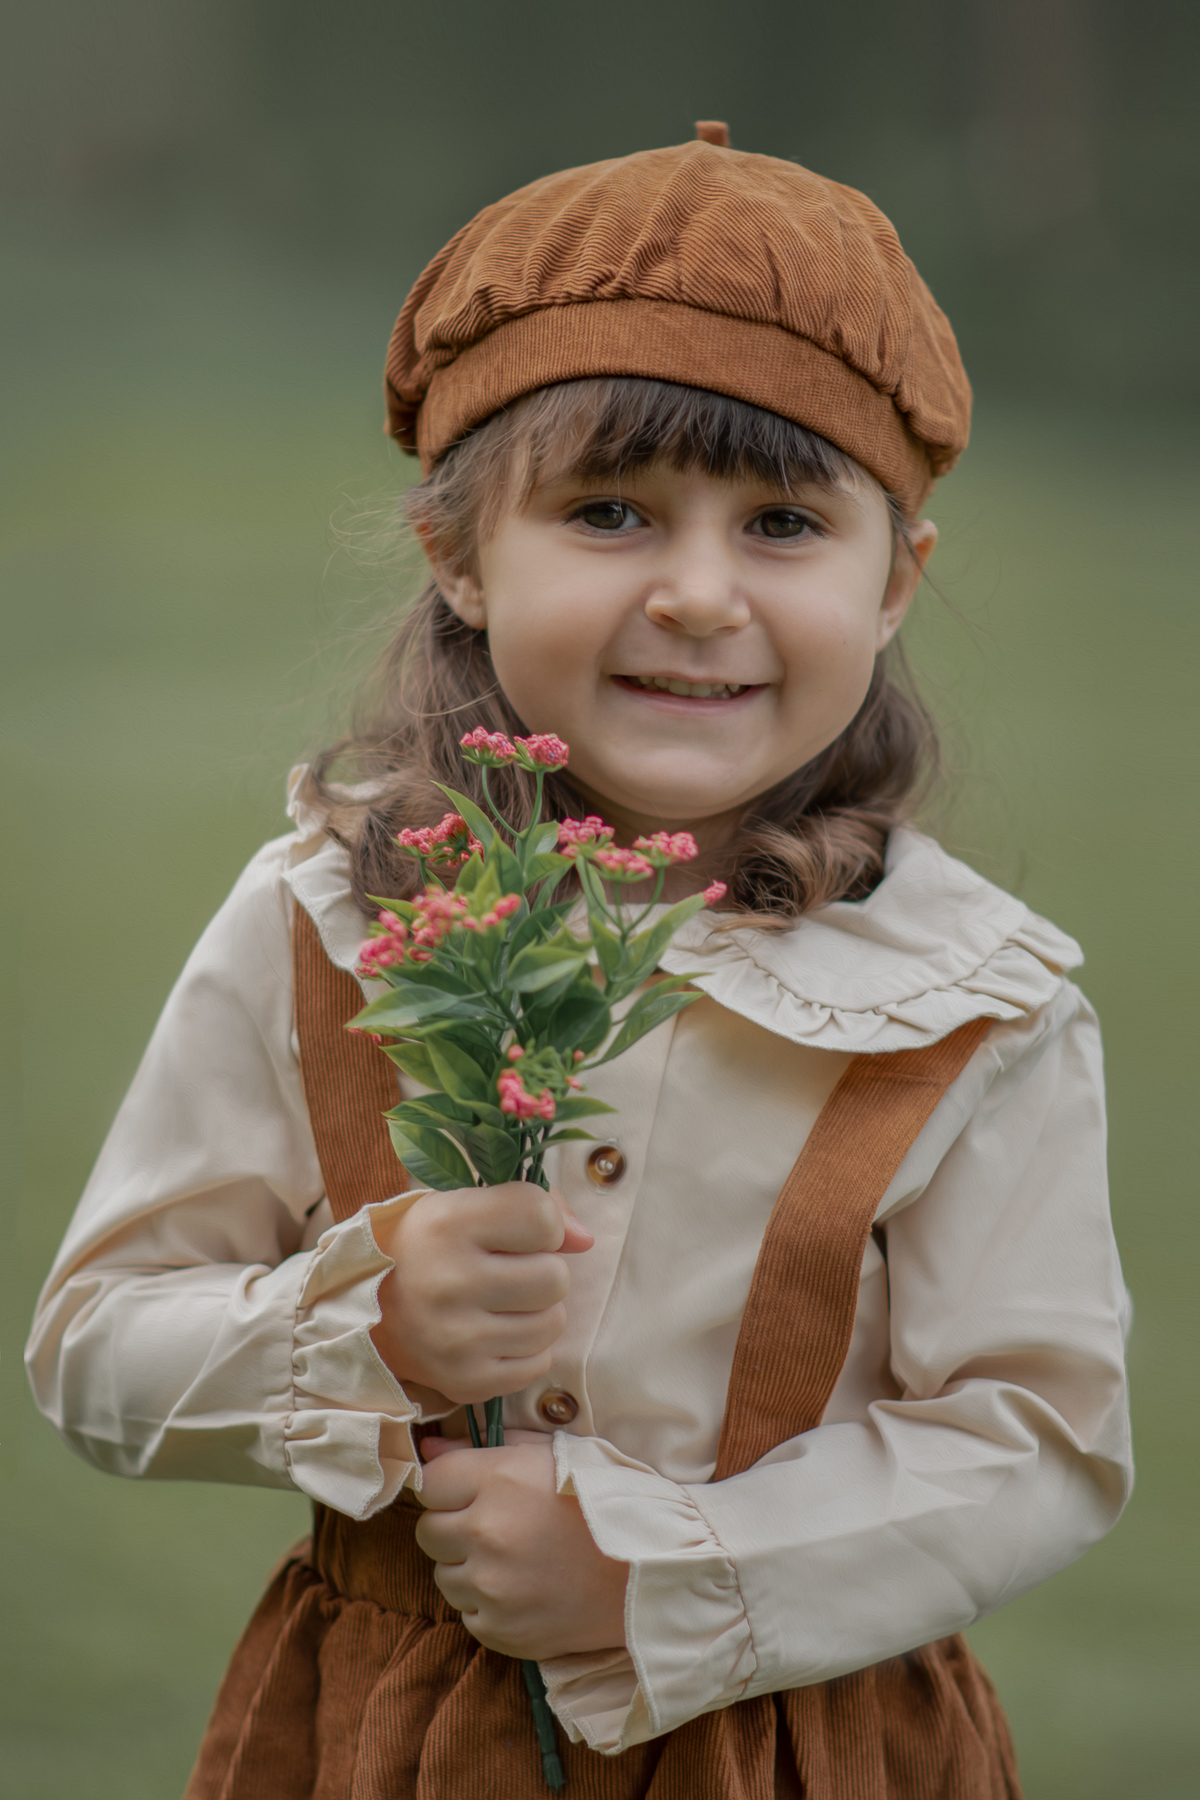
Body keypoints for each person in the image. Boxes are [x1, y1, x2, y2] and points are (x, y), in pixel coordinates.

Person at [26, 124, 1131, 1799]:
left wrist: (661, 1578)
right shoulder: (327, 912)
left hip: (807, 1741)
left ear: (896, 579)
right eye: (610, 511)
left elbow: (1037, 1440)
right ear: (459, 553)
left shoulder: (972, 994)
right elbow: (96, 1348)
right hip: (387, 1734)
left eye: (782, 525)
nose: (698, 594)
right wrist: (363, 1326)